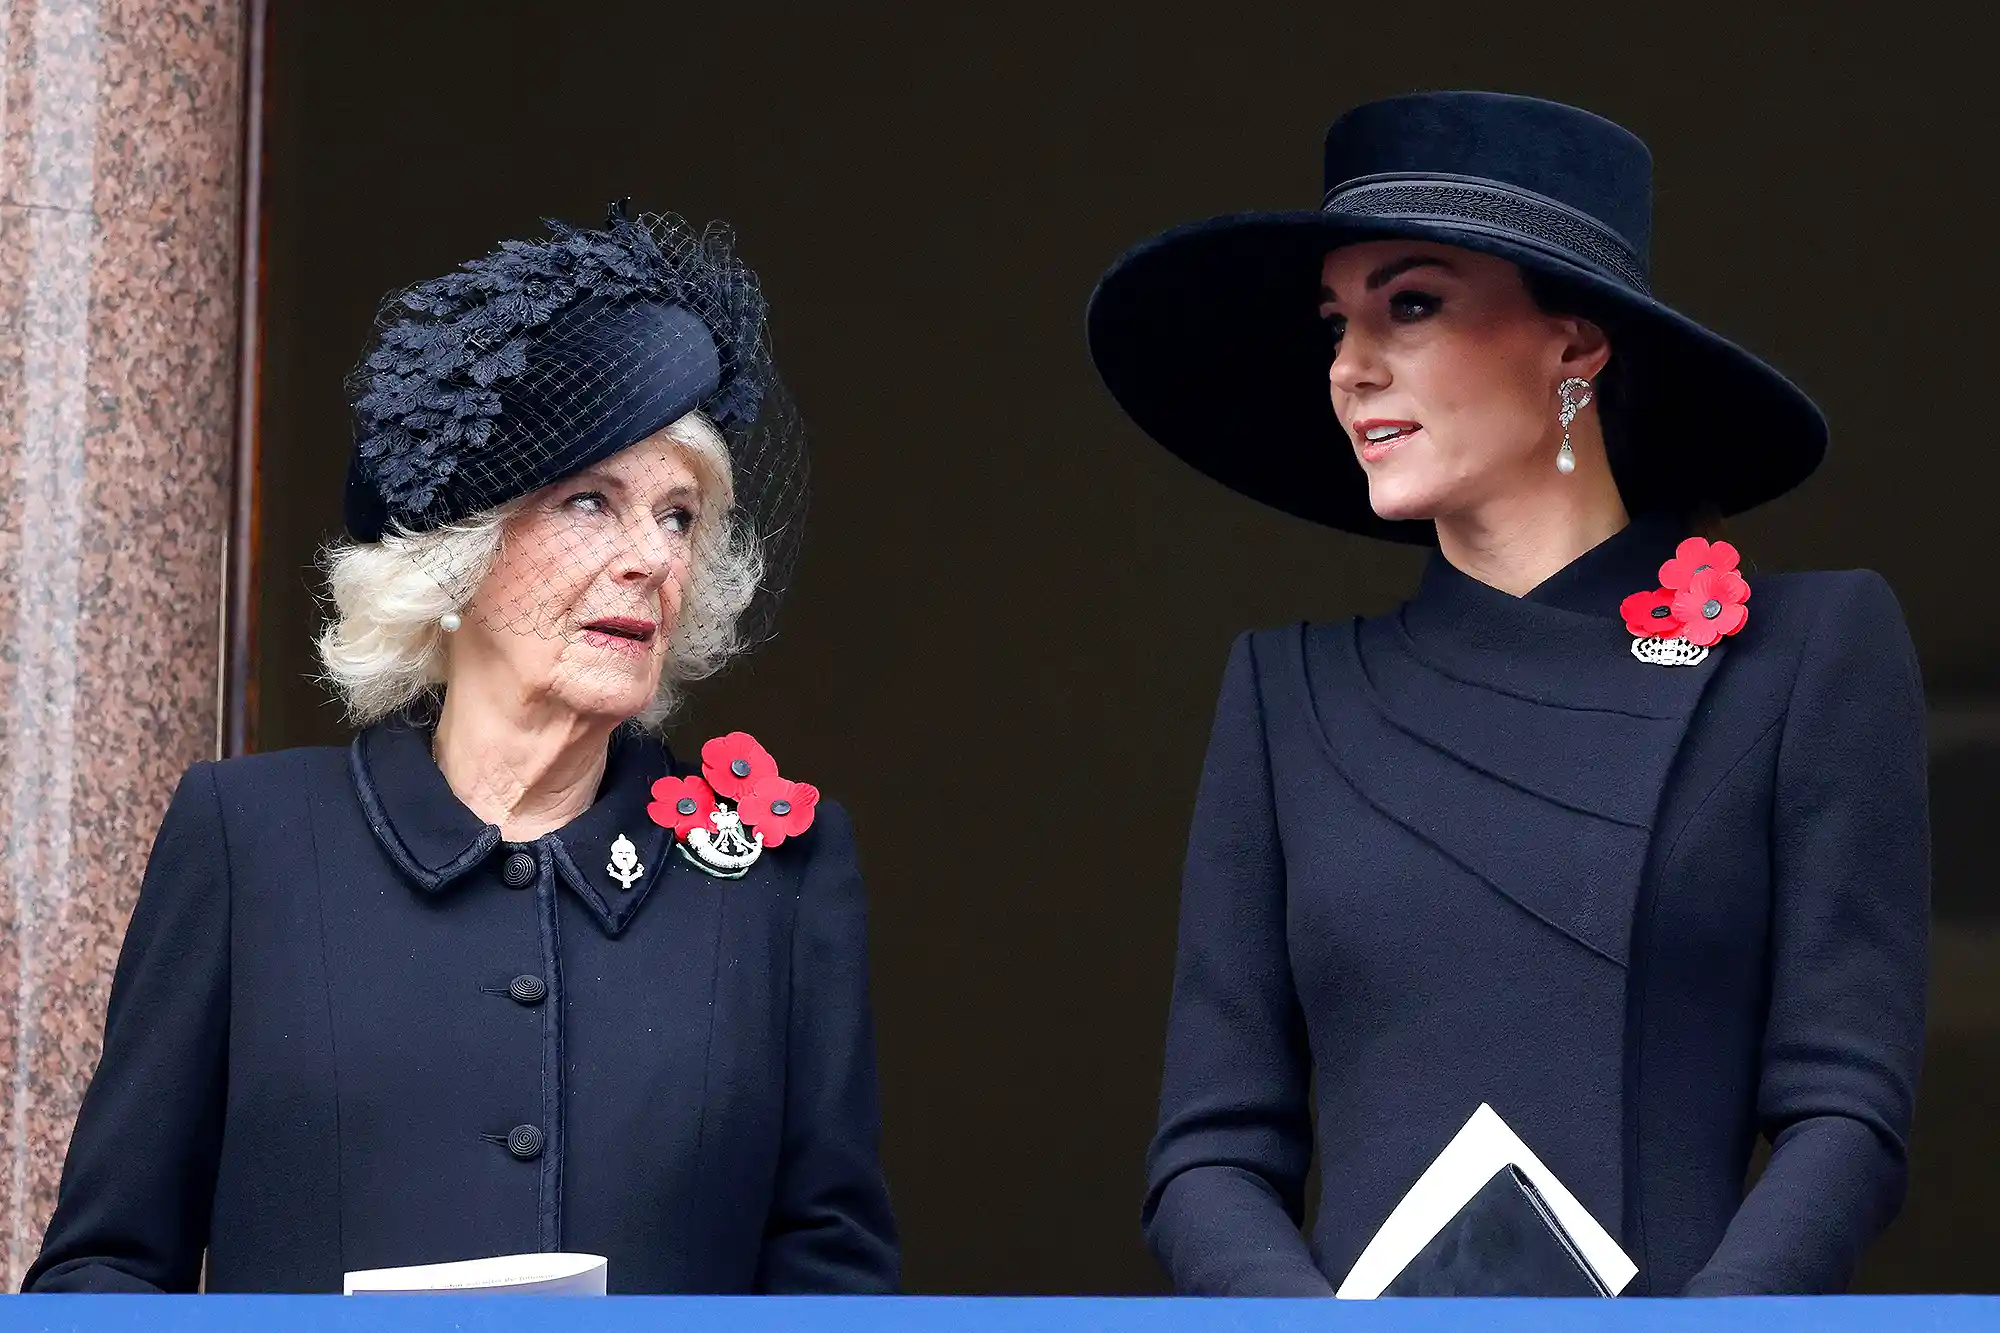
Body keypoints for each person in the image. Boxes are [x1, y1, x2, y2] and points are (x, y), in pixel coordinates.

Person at [1086, 92, 1929, 1296]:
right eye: (1335, 323)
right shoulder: (1285, 695)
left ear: (1574, 343)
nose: (1348, 367)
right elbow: (1210, 1153)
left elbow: (1844, 1108)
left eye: (1410, 305)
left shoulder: (1806, 653)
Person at [25, 205, 898, 1294]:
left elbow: (834, 1278)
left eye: (678, 517)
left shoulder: (779, 874)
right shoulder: (248, 842)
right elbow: (105, 1270)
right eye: (591, 502)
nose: (650, 559)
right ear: (457, 554)